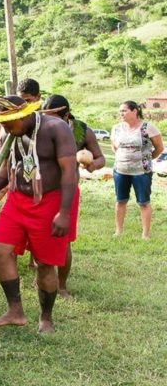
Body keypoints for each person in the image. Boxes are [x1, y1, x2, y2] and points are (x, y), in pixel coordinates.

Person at [0, 96, 77, 334]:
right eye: (3, 124)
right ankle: (15, 311)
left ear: (25, 114)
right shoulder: (13, 135)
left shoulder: (55, 128)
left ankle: (46, 318)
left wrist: (64, 212)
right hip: (17, 199)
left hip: (49, 201)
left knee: (45, 265)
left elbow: (70, 172)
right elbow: (7, 170)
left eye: (9, 123)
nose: (6, 129)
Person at [42, 95, 106, 297]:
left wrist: (93, 164)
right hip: (43, 190)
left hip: (66, 191)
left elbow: (101, 157)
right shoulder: (39, 128)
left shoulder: (81, 130)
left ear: (66, 115)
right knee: (41, 236)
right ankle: (44, 278)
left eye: (53, 117)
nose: (48, 121)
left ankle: (61, 285)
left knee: (63, 239)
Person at [111, 101, 164, 239]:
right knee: (120, 200)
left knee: (143, 202)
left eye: (124, 110)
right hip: (120, 170)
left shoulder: (148, 127)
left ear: (135, 111)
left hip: (141, 171)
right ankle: (118, 231)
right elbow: (115, 147)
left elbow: (159, 148)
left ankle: (145, 234)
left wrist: (148, 158)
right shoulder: (117, 128)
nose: (121, 113)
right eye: (120, 111)